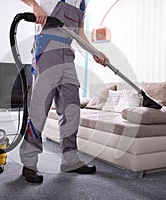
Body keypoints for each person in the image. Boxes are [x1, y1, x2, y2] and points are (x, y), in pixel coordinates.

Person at [20, 0, 108, 184]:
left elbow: (79, 34)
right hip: (46, 49)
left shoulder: (83, 5)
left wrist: (95, 51)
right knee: (39, 108)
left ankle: (70, 160)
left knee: (71, 108)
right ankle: (29, 163)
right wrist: (35, 6)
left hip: (67, 55)